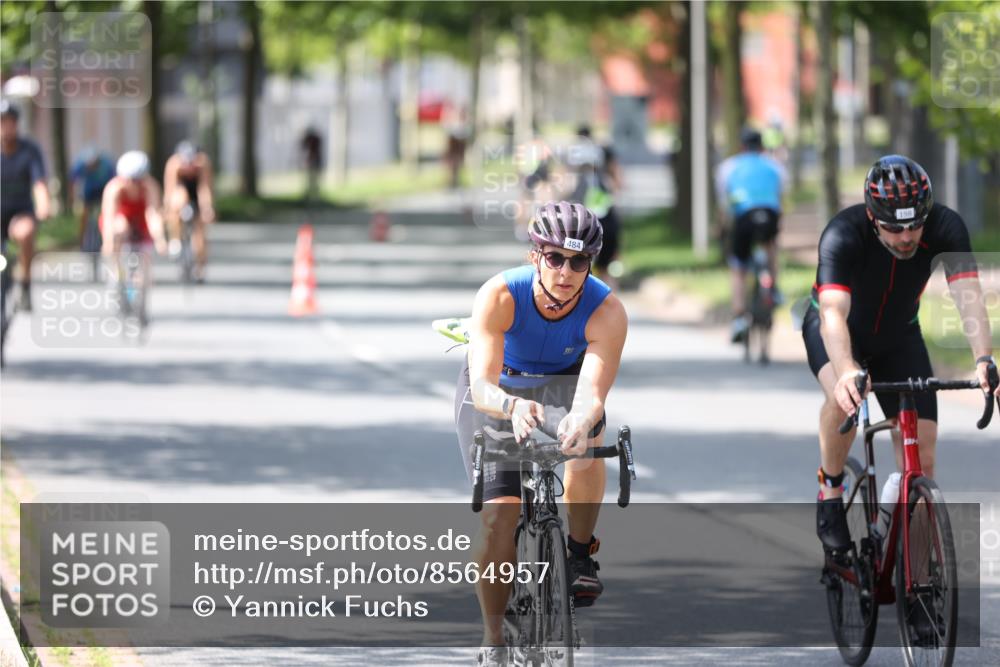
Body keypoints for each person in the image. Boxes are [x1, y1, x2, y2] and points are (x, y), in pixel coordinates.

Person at [454, 201, 628, 666]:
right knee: (499, 516)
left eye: (578, 261)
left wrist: (580, 417)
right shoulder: (499, 295)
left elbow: (592, 391)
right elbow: (483, 385)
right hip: (500, 388)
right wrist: (511, 406)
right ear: (535, 256)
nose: (566, 271)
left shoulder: (607, 310)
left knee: (588, 443)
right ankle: (493, 639)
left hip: (564, 384)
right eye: (555, 258)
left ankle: (578, 553)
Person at [803, 155, 998, 560]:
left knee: (922, 458)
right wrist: (847, 371)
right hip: (836, 333)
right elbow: (833, 314)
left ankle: (921, 588)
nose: (907, 237)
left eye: (914, 225)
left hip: (898, 335)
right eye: (894, 228)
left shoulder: (946, 226)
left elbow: (968, 296)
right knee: (842, 403)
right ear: (874, 219)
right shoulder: (843, 232)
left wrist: (984, 359)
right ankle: (831, 488)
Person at [715, 127, 788, 343]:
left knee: (738, 266)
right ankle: (773, 288)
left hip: (743, 216)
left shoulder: (728, 167)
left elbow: (723, 201)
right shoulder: (775, 166)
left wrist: (722, 225)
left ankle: (738, 318)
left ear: (742, 146)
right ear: (762, 146)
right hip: (769, 214)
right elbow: (781, 194)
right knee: (771, 246)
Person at [1, 100, 51, 311]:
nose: (6, 127)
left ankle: (25, 282)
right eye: (2, 122)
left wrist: (44, 204)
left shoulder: (29, 150)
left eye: (10, 122)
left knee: (26, 233)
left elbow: (39, 182)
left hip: (20, 212)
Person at [566, 126, 623, 288]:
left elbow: (565, 182)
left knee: (579, 252)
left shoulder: (572, 154)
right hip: (603, 206)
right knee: (608, 248)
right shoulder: (602, 151)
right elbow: (616, 178)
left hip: (580, 209)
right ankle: (609, 287)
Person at [100, 150, 167, 259]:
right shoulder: (114, 189)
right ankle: (117, 269)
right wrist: (108, 242)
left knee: (145, 257)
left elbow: (153, 215)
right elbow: (109, 217)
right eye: (129, 180)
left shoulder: (150, 186)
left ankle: (142, 274)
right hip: (120, 218)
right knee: (120, 228)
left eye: (137, 180)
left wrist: (160, 239)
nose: (132, 184)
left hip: (142, 218)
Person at [164, 140, 215, 281]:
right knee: (178, 201)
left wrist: (207, 209)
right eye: (186, 163)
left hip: (196, 190)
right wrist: (169, 211)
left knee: (200, 233)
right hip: (181, 189)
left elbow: (204, 189)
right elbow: (170, 191)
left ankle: (200, 267)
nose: (189, 166)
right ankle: (175, 239)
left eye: (192, 163)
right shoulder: (174, 164)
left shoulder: (203, 164)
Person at [69, 146, 115, 253]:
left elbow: (114, 183)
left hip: (104, 190)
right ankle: (81, 241)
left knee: (107, 214)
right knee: (84, 215)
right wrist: (72, 199)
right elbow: (72, 181)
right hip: (89, 191)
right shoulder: (81, 165)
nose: (91, 167)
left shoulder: (107, 165)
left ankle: (107, 239)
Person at [300, 127, 322, 202]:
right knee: (311, 179)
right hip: (311, 160)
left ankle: (314, 195)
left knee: (314, 179)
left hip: (314, 160)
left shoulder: (315, 140)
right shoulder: (312, 140)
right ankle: (311, 194)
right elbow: (303, 146)